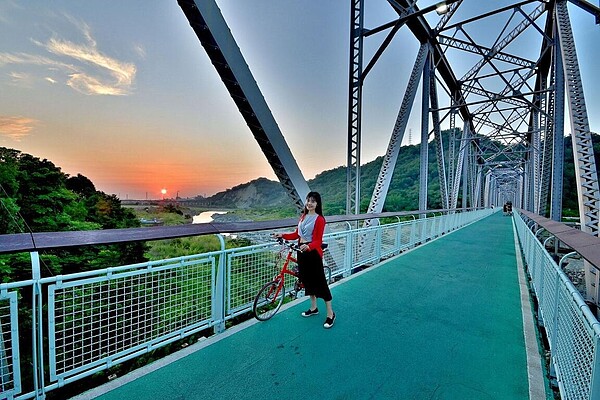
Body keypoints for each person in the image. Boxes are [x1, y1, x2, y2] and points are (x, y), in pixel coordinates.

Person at [273, 191, 336, 329]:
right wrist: (282, 234)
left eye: (313, 201)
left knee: (320, 283)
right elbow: (297, 234)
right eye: (308, 200)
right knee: (307, 281)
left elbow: (318, 240)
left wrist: (309, 246)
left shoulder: (320, 219)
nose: (309, 203)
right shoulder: (303, 216)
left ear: (317, 204)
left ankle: (330, 314)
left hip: (313, 253)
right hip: (301, 251)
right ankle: (314, 308)